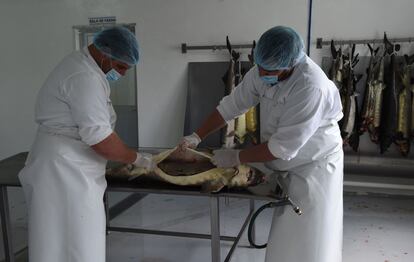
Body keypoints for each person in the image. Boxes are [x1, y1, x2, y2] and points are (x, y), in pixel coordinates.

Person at [179, 26, 344, 262]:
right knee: (287, 234)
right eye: (261, 67)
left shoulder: (310, 86)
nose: (263, 74)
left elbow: (282, 148)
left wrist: (235, 157)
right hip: (284, 160)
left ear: (291, 64)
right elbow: (230, 106)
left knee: (312, 236)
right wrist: (196, 135)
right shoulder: (261, 71)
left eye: (271, 70)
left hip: (314, 165)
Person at [18, 26, 153, 262]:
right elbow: (101, 140)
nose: (121, 74)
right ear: (105, 53)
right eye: (120, 67)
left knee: (64, 240)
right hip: (64, 171)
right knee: (74, 242)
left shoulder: (85, 67)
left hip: (69, 166)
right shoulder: (84, 77)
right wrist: (137, 159)